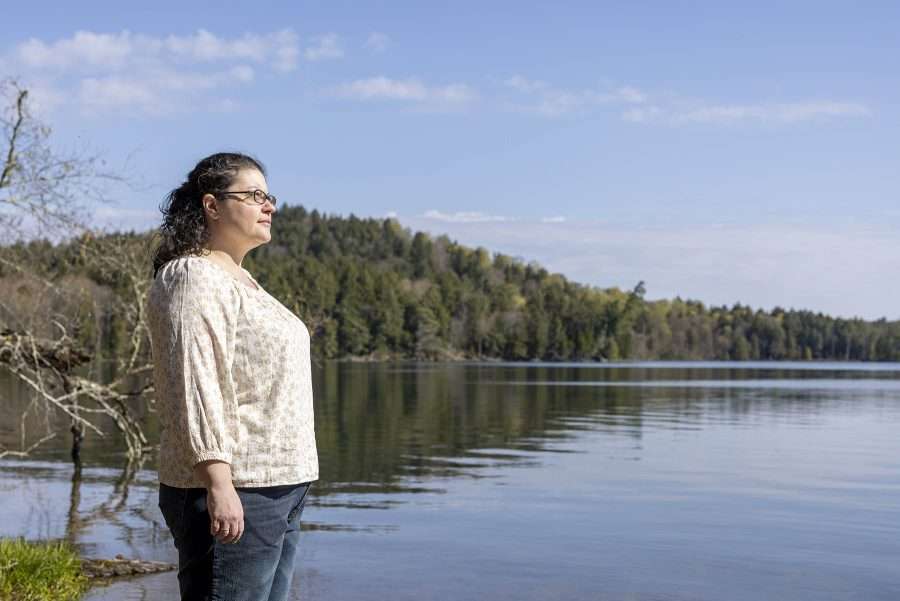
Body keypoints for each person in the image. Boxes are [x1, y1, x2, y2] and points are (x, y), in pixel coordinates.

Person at [146, 152, 319, 601]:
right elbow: (195, 380)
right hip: (237, 488)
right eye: (255, 195)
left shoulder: (241, 279)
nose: (269, 206)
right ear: (212, 205)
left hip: (278, 487)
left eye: (269, 196)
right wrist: (219, 483)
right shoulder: (193, 276)